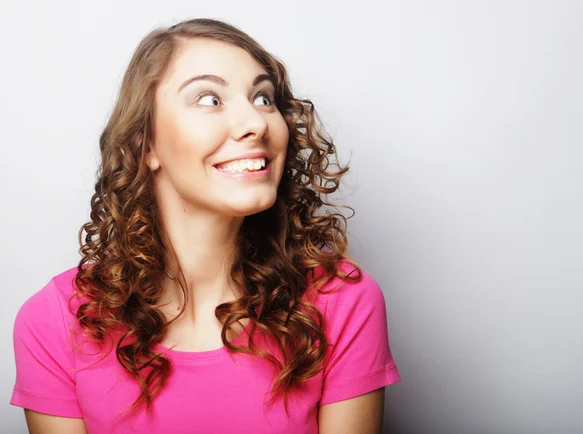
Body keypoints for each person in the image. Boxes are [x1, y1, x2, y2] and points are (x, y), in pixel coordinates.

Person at [10, 18, 401, 434]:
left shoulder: (343, 301)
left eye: (263, 98)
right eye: (209, 99)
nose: (255, 122)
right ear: (146, 146)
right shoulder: (54, 322)